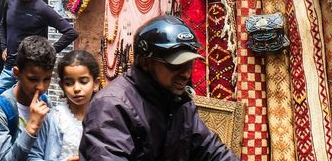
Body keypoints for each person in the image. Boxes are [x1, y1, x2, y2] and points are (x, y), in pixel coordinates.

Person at [80, 16, 239, 161]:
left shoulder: (179, 104)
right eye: (176, 65)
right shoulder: (112, 107)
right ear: (146, 62)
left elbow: (211, 150)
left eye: (190, 64)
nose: (186, 74)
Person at [0, 0, 78, 88]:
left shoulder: (42, 8)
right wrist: (4, 46)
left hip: (32, 71)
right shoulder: (10, 2)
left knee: (28, 105)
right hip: (10, 68)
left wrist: (48, 53)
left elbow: (71, 33)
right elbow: (3, 25)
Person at [0, 35, 61, 161]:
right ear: (17, 73)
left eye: (47, 79)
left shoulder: (44, 101)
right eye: (33, 79)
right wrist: (31, 127)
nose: (41, 87)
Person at [32, 50, 100, 161]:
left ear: (95, 83)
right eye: (69, 83)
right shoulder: (52, 118)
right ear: (62, 86)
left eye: (83, 81)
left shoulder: (104, 117)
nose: (77, 89)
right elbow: (33, 156)